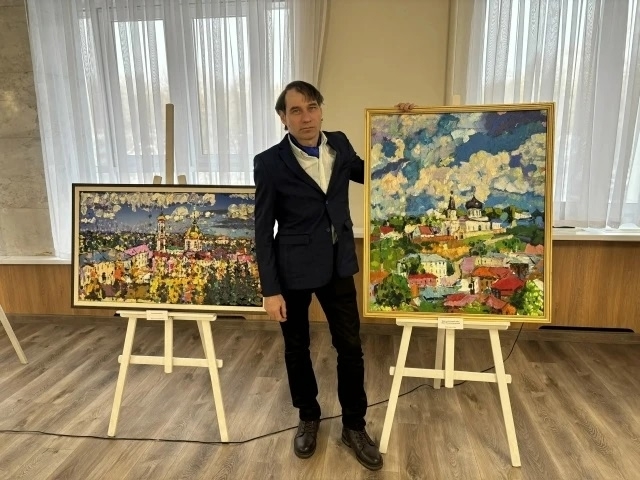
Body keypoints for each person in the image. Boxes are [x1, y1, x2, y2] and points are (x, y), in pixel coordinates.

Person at [253, 80, 411, 471]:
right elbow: (262, 230)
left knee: (351, 347)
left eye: (311, 107)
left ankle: (354, 426)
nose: (305, 117)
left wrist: (400, 129)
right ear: (283, 118)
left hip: (338, 265)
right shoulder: (269, 163)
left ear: (321, 110)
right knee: (297, 348)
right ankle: (308, 416)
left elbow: (375, 174)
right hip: (292, 269)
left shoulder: (339, 144)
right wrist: (270, 290)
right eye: (295, 110)